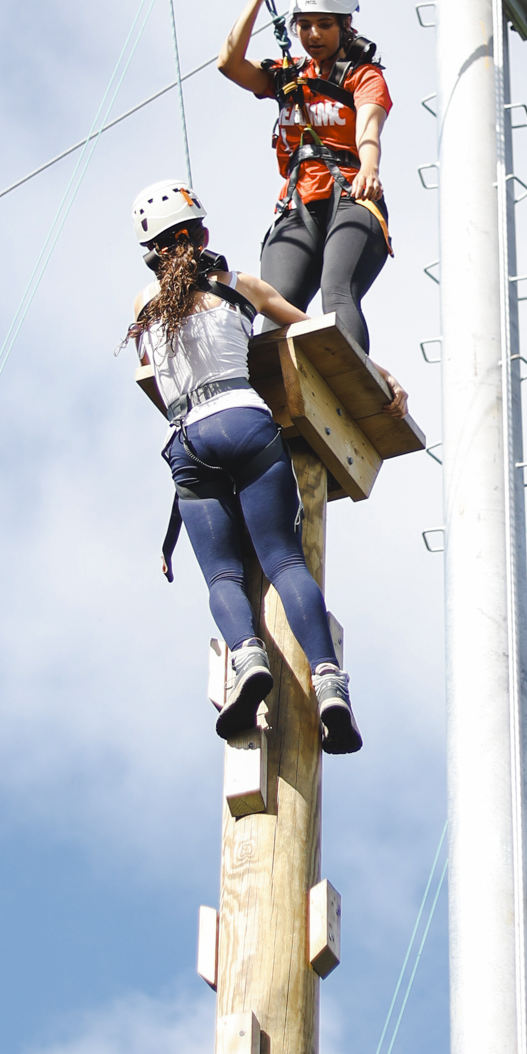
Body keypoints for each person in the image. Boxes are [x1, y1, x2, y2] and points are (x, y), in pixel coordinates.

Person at [128, 177, 379, 753]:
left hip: (188, 441)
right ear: (204, 233)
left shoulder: (143, 306)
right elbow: (311, 327)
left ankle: (246, 657)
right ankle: (329, 682)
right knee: (285, 560)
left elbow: (154, 359)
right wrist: (380, 374)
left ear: (152, 253)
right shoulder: (240, 285)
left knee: (222, 575)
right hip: (243, 418)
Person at [216, 0, 392, 352]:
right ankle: (272, 399)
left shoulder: (363, 76)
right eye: (305, 25)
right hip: (297, 203)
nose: (313, 34)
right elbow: (228, 63)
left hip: (351, 195)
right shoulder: (288, 77)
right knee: (276, 301)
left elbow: (369, 126)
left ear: (346, 24)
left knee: (337, 290)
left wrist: (369, 168)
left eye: (325, 25)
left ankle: (353, 387)